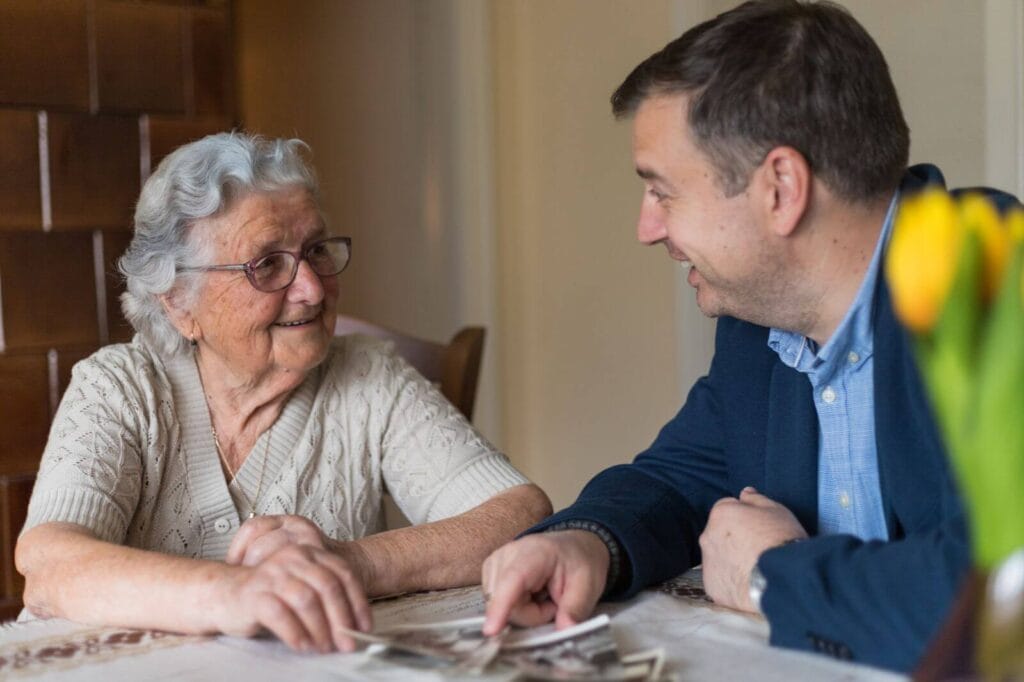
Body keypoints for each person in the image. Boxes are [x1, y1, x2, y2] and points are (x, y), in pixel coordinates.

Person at [480, 0, 1020, 672]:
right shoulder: (760, 321)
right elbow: (680, 477)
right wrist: (584, 544)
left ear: (780, 189)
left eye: (662, 190)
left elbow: (1004, 603)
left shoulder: (999, 292)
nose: (646, 228)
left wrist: (773, 575)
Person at [16, 132, 552, 653]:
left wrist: (353, 563)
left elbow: (520, 513)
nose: (313, 288)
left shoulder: (369, 378)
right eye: (267, 264)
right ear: (179, 303)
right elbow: (50, 566)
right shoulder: (119, 389)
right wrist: (233, 592)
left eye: (317, 250)